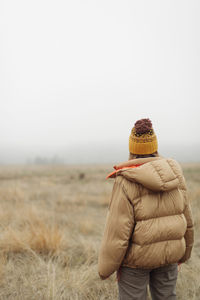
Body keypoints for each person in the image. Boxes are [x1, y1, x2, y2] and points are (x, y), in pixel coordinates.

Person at [98, 118, 194, 300]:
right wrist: (185, 253)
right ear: (154, 146)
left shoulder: (125, 180)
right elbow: (187, 217)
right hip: (171, 254)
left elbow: (118, 231)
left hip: (135, 262)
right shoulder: (175, 173)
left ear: (132, 149)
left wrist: (106, 269)